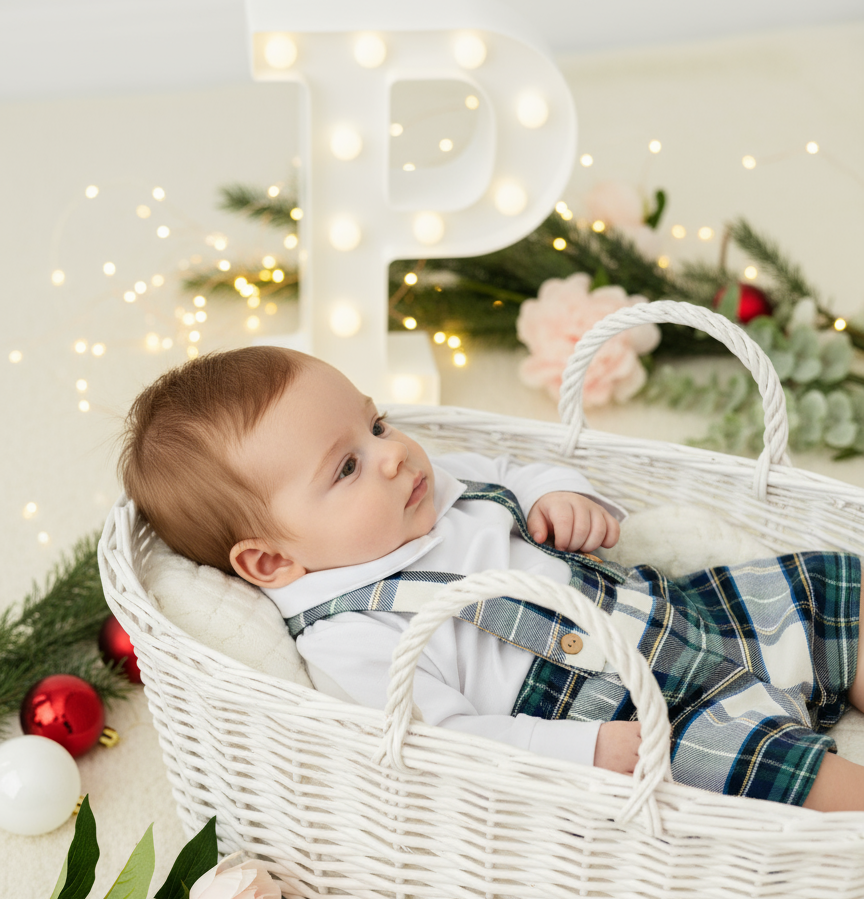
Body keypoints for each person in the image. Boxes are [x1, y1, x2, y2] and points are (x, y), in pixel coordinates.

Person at [118, 345, 864, 812]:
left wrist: (557, 495)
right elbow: (450, 745)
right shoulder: (350, 634)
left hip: (671, 613)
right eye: (346, 467)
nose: (393, 455)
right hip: (633, 719)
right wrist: (585, 753)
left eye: (376, 425)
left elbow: (512, 470)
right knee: (782, 777)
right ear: (272, 562)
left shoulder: (427, 485)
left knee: (825, 593)